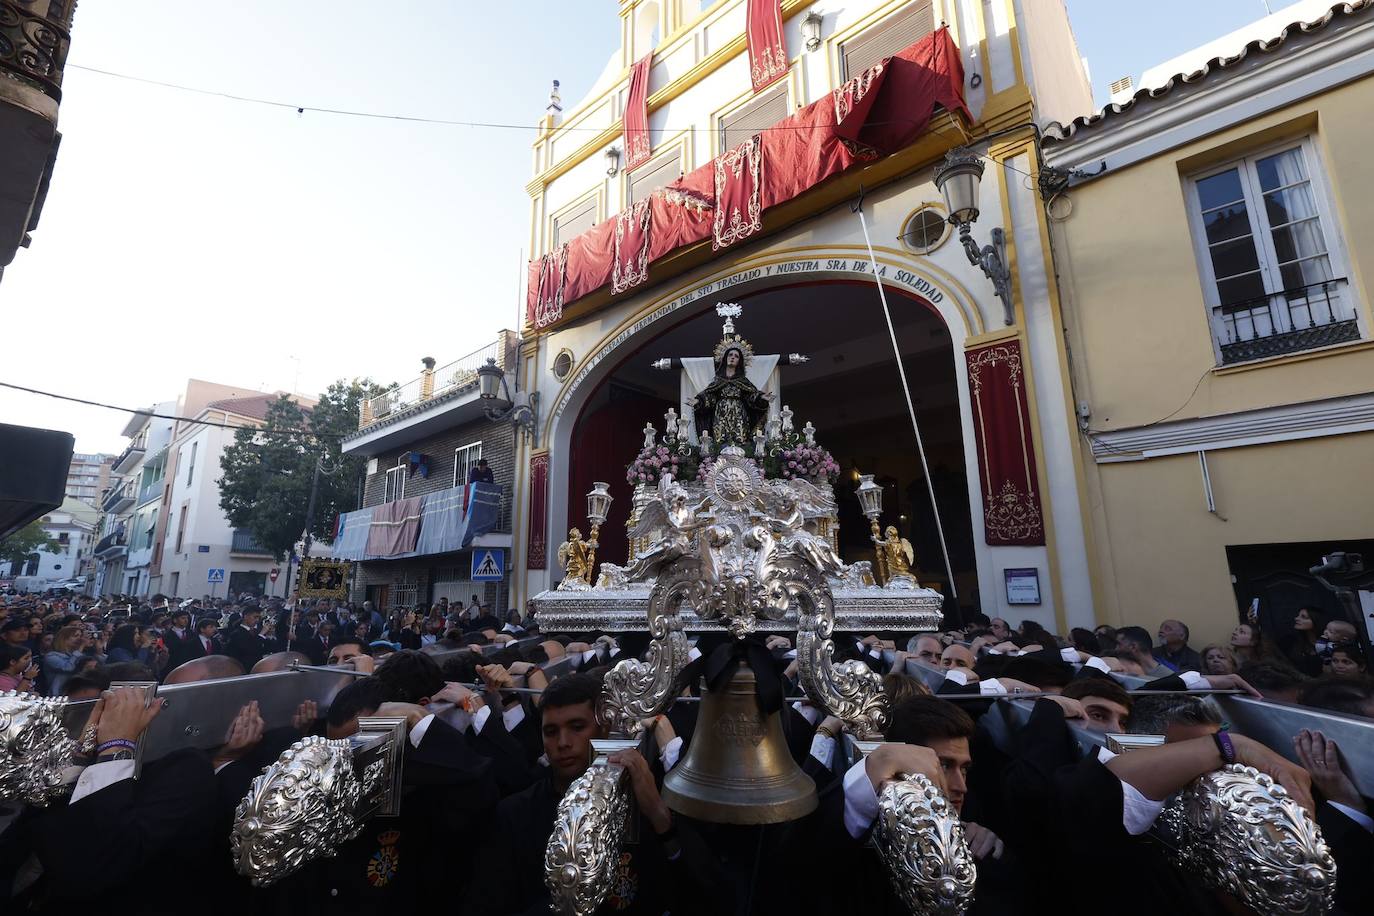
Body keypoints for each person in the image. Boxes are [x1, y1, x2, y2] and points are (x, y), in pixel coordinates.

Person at [692, 343, 771, 446]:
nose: (733, 357)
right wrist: (699, 401)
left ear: (739, 361)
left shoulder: (743, 381)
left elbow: (750, 397)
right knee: (720, 442)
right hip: (721, 415)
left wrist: (761, 398)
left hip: (739, 415)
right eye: (730, 355)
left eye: (736, 356)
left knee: (740, 441)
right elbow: (710, 396)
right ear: (725, 358)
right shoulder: (718, 381)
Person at [43, 624, 90, 695]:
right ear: (64, 638)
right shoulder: (51, 656)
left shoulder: (78, 654)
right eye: (75, 636)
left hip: (77, 693)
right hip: (58, 695)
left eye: (80, 636)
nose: (79, 639)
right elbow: (68, 668)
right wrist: (81, 647)